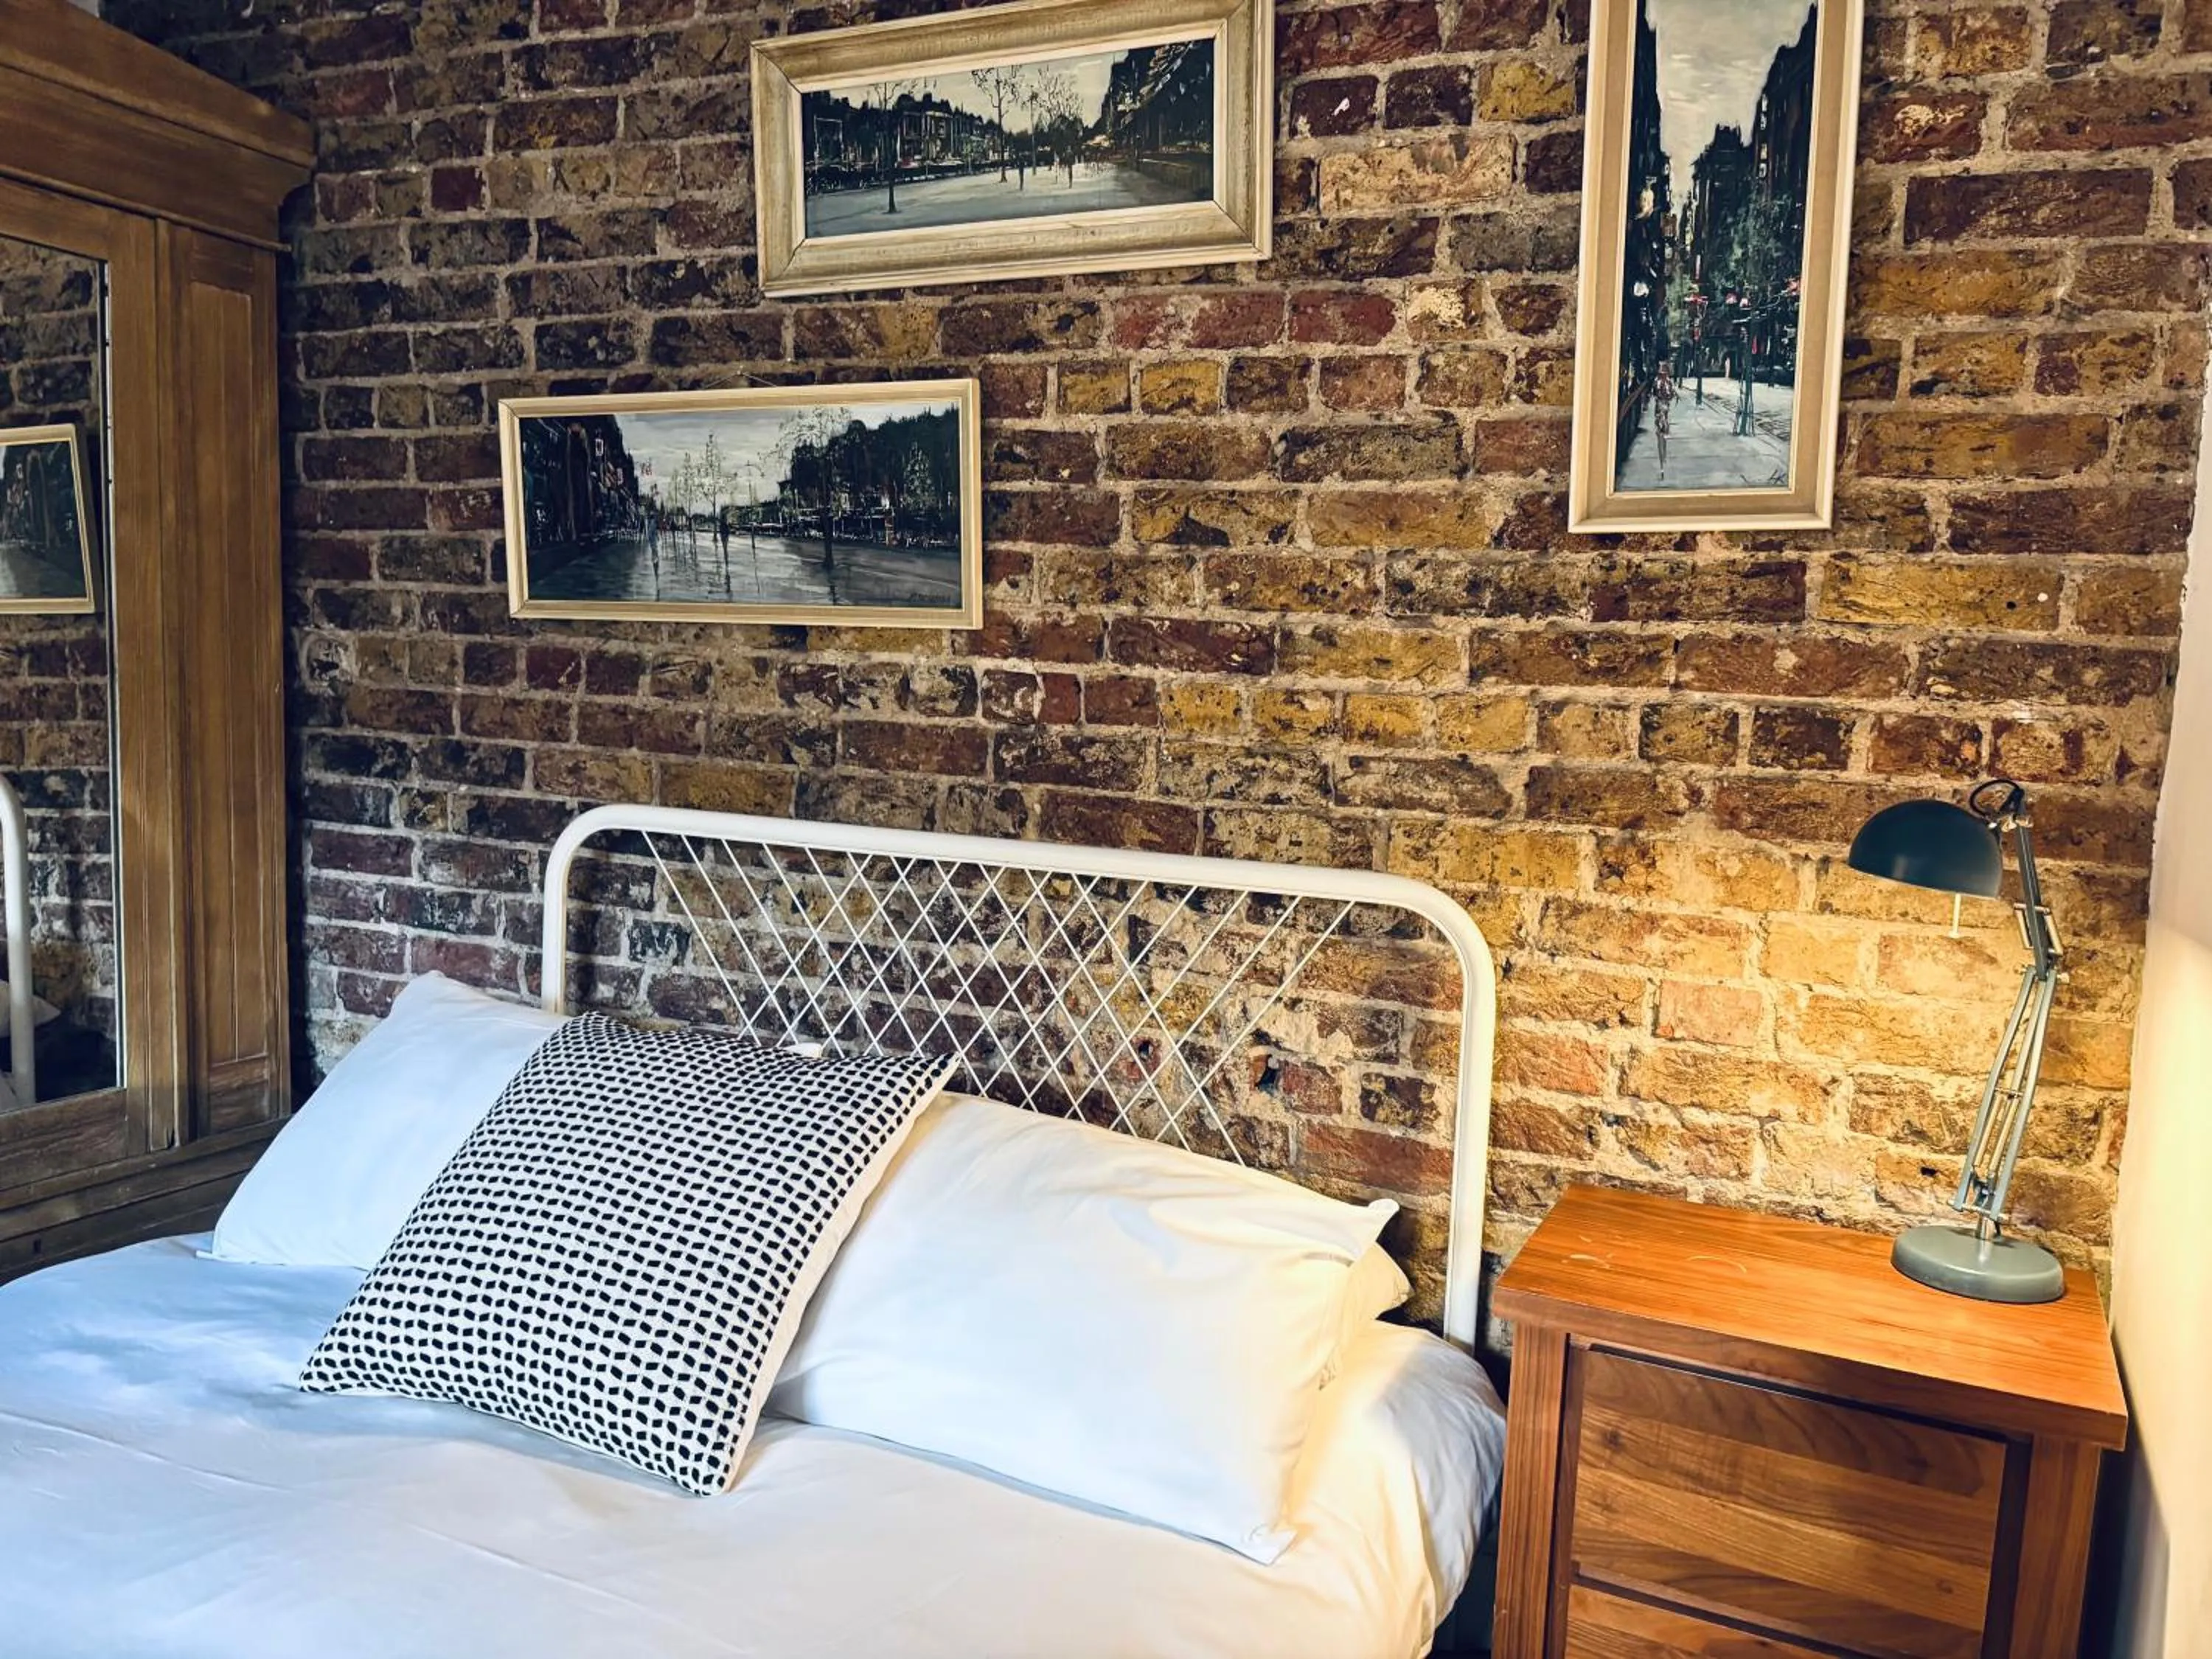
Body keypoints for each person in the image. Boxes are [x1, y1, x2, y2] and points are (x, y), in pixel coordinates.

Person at [1652, 364, 1676, 480]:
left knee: (1662, 435)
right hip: (1662, 410)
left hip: (1663, 410)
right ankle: (1662, 461)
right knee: (1661, 435)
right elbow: (1669, 395)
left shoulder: (1663, 382)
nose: (1663, 374)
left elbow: (1658, 394)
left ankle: (1663, 460)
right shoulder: (1665, 382)